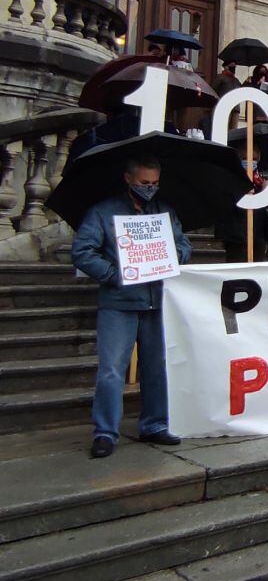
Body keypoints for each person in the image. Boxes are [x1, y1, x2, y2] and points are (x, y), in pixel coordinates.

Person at [70, 156, 192, 459]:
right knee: (111, 370)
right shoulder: (103, 212)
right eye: (144, 184)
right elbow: (82, 251)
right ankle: (105, 432)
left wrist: (171, 254)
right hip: (118, 302)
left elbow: (185, 246)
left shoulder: (165, 211)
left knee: (157, 368)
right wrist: (112, 274)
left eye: (155, 184)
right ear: (128, 179)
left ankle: (154, 424)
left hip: (156, 300)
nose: (150, 189)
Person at [217, 145, 268, 262]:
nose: (250, 162)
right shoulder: (230, 176)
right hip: (236, 231)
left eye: (254, 159)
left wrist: (263, 190)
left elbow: (265, 205)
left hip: (257, 230)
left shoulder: (258, 178)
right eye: (246, 158)